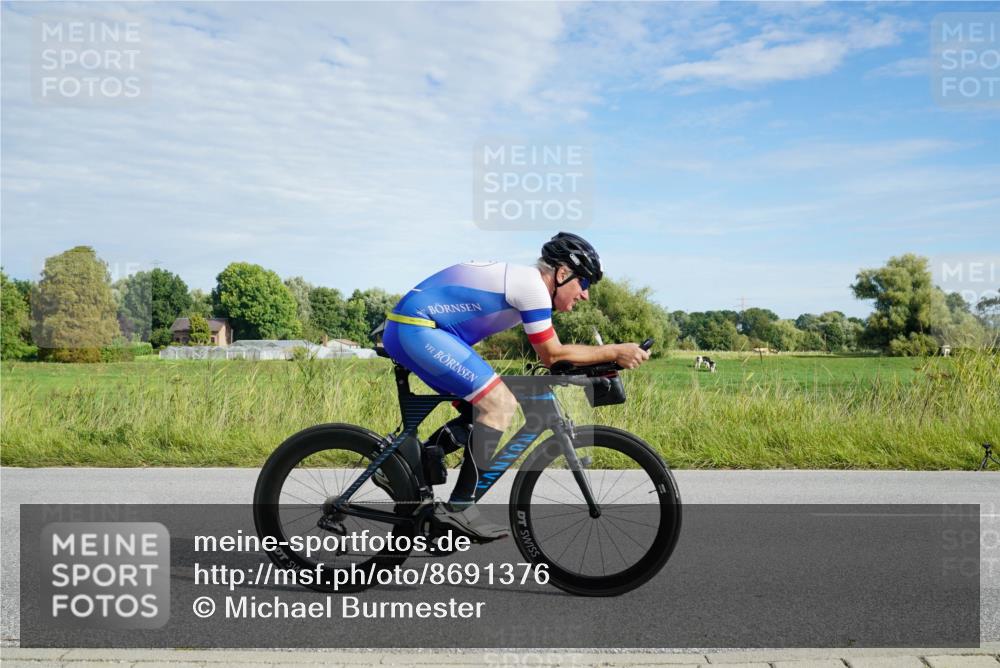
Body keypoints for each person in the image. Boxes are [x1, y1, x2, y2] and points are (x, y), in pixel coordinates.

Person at [381, 232, 651, 540]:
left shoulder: (528, 286)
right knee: (500, 403)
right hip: (417, 328)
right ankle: (459, 508)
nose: (585, 295)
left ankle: (405, 462)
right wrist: (614, 351)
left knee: (482, 407)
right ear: (562, 274)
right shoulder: (533, 287)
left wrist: (602, 366)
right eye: (584, 284)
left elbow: (556, 358)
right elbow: (553, 354)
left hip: (425, 330)